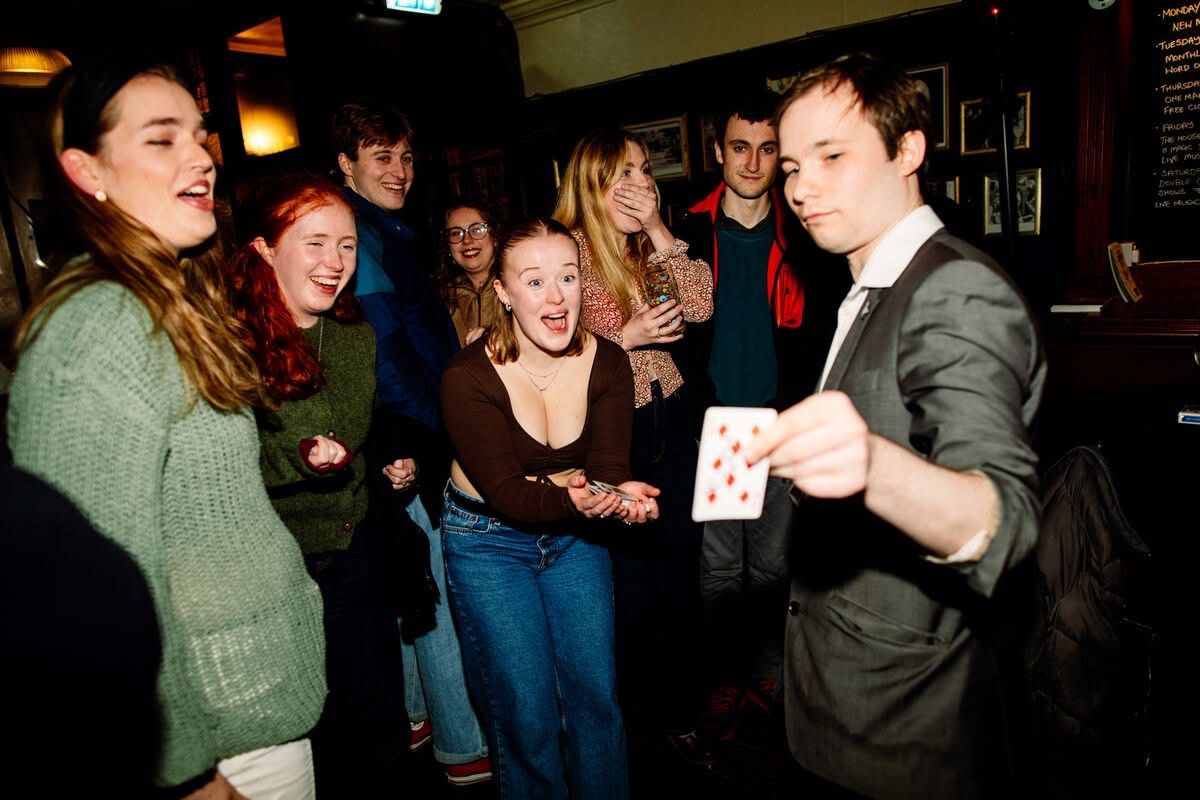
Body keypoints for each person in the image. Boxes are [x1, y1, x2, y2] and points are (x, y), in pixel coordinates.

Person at [7, 61, 326, 798]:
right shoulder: (100, 325)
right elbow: (86, 592)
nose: (201, 157)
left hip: (249, 710)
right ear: (87, 172)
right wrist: (186, 773)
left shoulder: (174, 299)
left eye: (200, 134)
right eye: (161, 139)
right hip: (209, 747)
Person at [744, 52, 1046, 799]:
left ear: (907, 149)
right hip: (844, 697)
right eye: (789, 167)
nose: (801, 186)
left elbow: (1003, 520)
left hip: (911, 723)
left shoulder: (956, 290)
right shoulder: (869, 285)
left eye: (832, 156)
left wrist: (873, 464)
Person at [440, 217, 658, 798]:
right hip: (487, 540)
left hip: (575, 538)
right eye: (534, 282)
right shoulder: (467, 377)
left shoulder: (609, 361)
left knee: (596, 699)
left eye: (567, 276)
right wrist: (590, 497)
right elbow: (509, 494)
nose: (556, 296)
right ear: (505, 293)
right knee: (527, 713)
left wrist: (619, 498)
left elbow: (610, 469)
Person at [222, 173, 424, 797]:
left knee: (380, 729)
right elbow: (216, 470)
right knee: (314, 742)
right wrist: (298, 456)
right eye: (315, 243)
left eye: (346, 245)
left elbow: (357, 429)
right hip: (275, 572)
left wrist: (389, 458)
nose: (335, 261)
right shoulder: (226, 343)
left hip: (354, 554)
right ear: (264, 249)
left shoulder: (352, 335)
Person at [333, 99, 491, 785]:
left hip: (403, 426)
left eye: (404, 156)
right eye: (380, 156)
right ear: (346, 164)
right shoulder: (362, 237)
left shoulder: (385, 229)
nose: (399, 170)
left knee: (409, 574)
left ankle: (420, 713)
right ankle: (463, 744)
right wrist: (445, 426)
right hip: (409, 430)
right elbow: (387, 357)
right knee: (433, 582)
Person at [678, 91, 844, 735]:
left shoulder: (806, 230)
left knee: (774, 566)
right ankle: (724, 676)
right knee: (721, 567)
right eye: (740, 146)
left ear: (782, 157)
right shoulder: (687, 229)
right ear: (719, 151)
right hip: (720, 424)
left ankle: (770, 676)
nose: (752, 161)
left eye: (767, 148)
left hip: (782, 422)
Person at [553, 129, 714, 765]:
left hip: (668, 423)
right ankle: (630, 727)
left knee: (679, 580)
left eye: (644, 173)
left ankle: (679, 713)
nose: (638, 187)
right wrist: (627, 336)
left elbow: (699, 304)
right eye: (621, 175)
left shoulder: (648, 250)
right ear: (589, 182)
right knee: (625, 593)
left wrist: (662, 229)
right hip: (609, 437)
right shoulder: (563, 250)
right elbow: (554, 354)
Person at [437, 200, 502, 346]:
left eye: (477, 230)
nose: (467, 240)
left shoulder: (517, 287)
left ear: (495, 237)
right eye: (456, 233)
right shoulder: (440, 298)